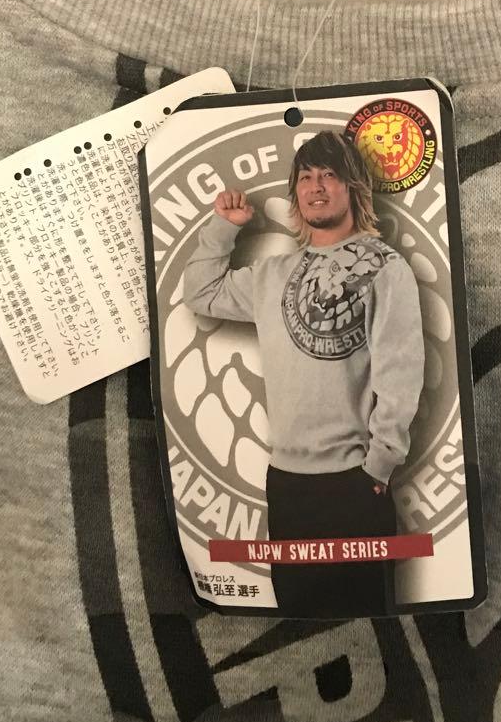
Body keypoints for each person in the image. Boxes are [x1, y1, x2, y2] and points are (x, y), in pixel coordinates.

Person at [182, 131, 425, 616]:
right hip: (287, 483)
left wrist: (380, 465)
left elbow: (400, 368)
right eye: (307, 177)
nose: (317, 187)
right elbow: (201, 293)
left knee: (367, 620)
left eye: (330, 175)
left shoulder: (384, 267)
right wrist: (224, 226)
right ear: (295, 192)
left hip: (355, 481)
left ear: (353, 186)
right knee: (297, 617)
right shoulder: (272, 276)